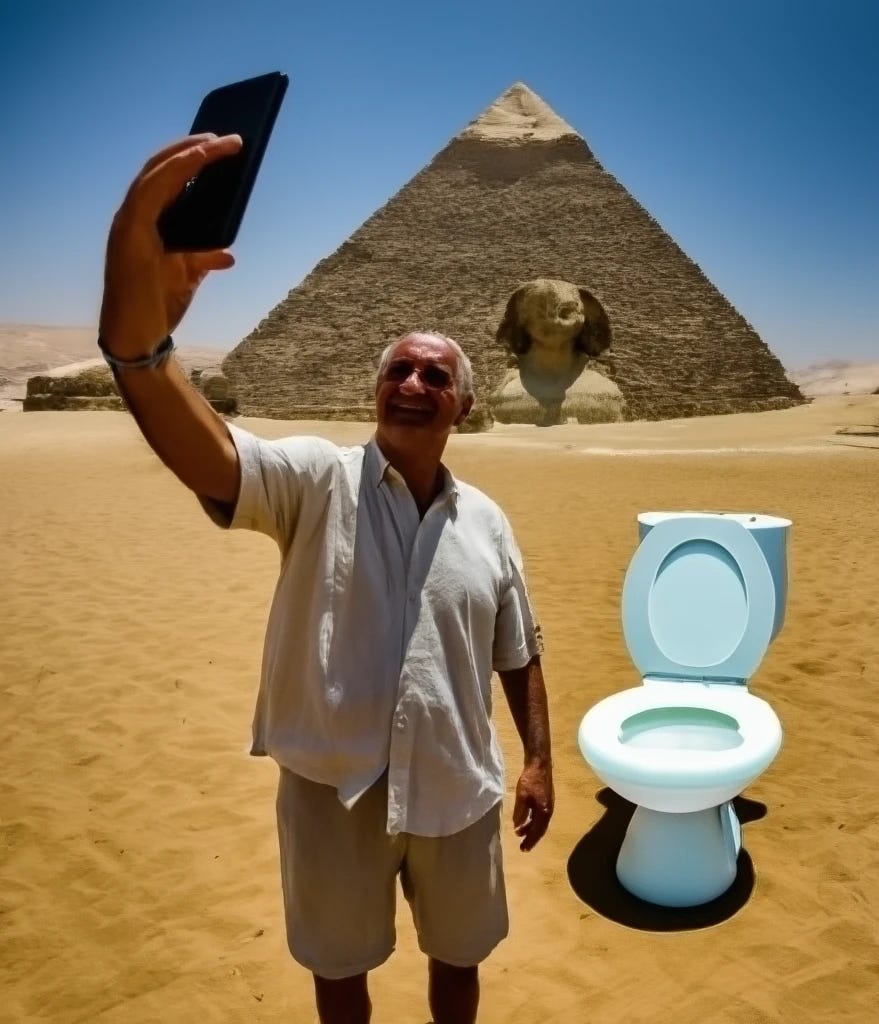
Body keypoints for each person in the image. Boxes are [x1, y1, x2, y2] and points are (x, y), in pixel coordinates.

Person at [99, 132, 555, 1024]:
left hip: (459, 788)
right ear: (374, 392)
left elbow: (520, 648)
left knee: (458, 961)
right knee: (338, 974)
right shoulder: (313, 481)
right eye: (397, 369)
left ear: (462, 404)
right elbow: (206, 451)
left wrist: (538, 760)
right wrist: (141, 340)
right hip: (331, 789)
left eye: (436, 374)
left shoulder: (490, 522)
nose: (414, 383)